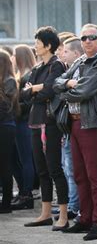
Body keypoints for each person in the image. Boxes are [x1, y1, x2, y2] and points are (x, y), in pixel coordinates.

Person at [54, 23, 97, 241]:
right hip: (75, 123)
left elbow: (83, 91)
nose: (87, 41)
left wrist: (66, 89)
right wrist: (69, 84)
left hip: (93, 124)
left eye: (92, 37)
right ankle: (85, 219)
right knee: (80, 175)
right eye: (84, 38)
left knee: (96, 176)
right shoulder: (80, 61)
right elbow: (56, 83)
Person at [21, 26, 68, 230]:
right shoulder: (38, 67)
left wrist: (35, 90)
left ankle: (64, 215)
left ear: (48, 45)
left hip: (50, 123)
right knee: (42, 170)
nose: (35, 47)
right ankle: (45, 213)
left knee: (54, 169)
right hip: (35, 121)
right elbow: (24, 94)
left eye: (38, 43)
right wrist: (35, 91)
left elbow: (50, 90)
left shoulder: (57, 66)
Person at [57, 37, 84, 220]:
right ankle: (72, 205)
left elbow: (78, 92)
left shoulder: (81, 68)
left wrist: (64, 89)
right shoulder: (68, 70)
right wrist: (65, 86)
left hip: (81, 122)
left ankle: (75, 206)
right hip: (68, 124)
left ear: (76, 53)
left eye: (65, 51)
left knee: (75, 170)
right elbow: (56, 86)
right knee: (68, 168)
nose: (62, 54)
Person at [10, 45, 36, 210]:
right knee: (17, 159)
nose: (12, 58)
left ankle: (27, 195)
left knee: (26, 160)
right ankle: (22, 192)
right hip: (18, 122)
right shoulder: (21, 76)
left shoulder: (29, 76)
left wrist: (13, 106)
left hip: (24, 123)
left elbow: (29, 103)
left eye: (13, 55)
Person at [0, 50, 19, 214]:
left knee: (5, 164)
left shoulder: (9, 80)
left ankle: (6, 203)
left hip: (5, 126)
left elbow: (6, 106)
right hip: (4, 124)